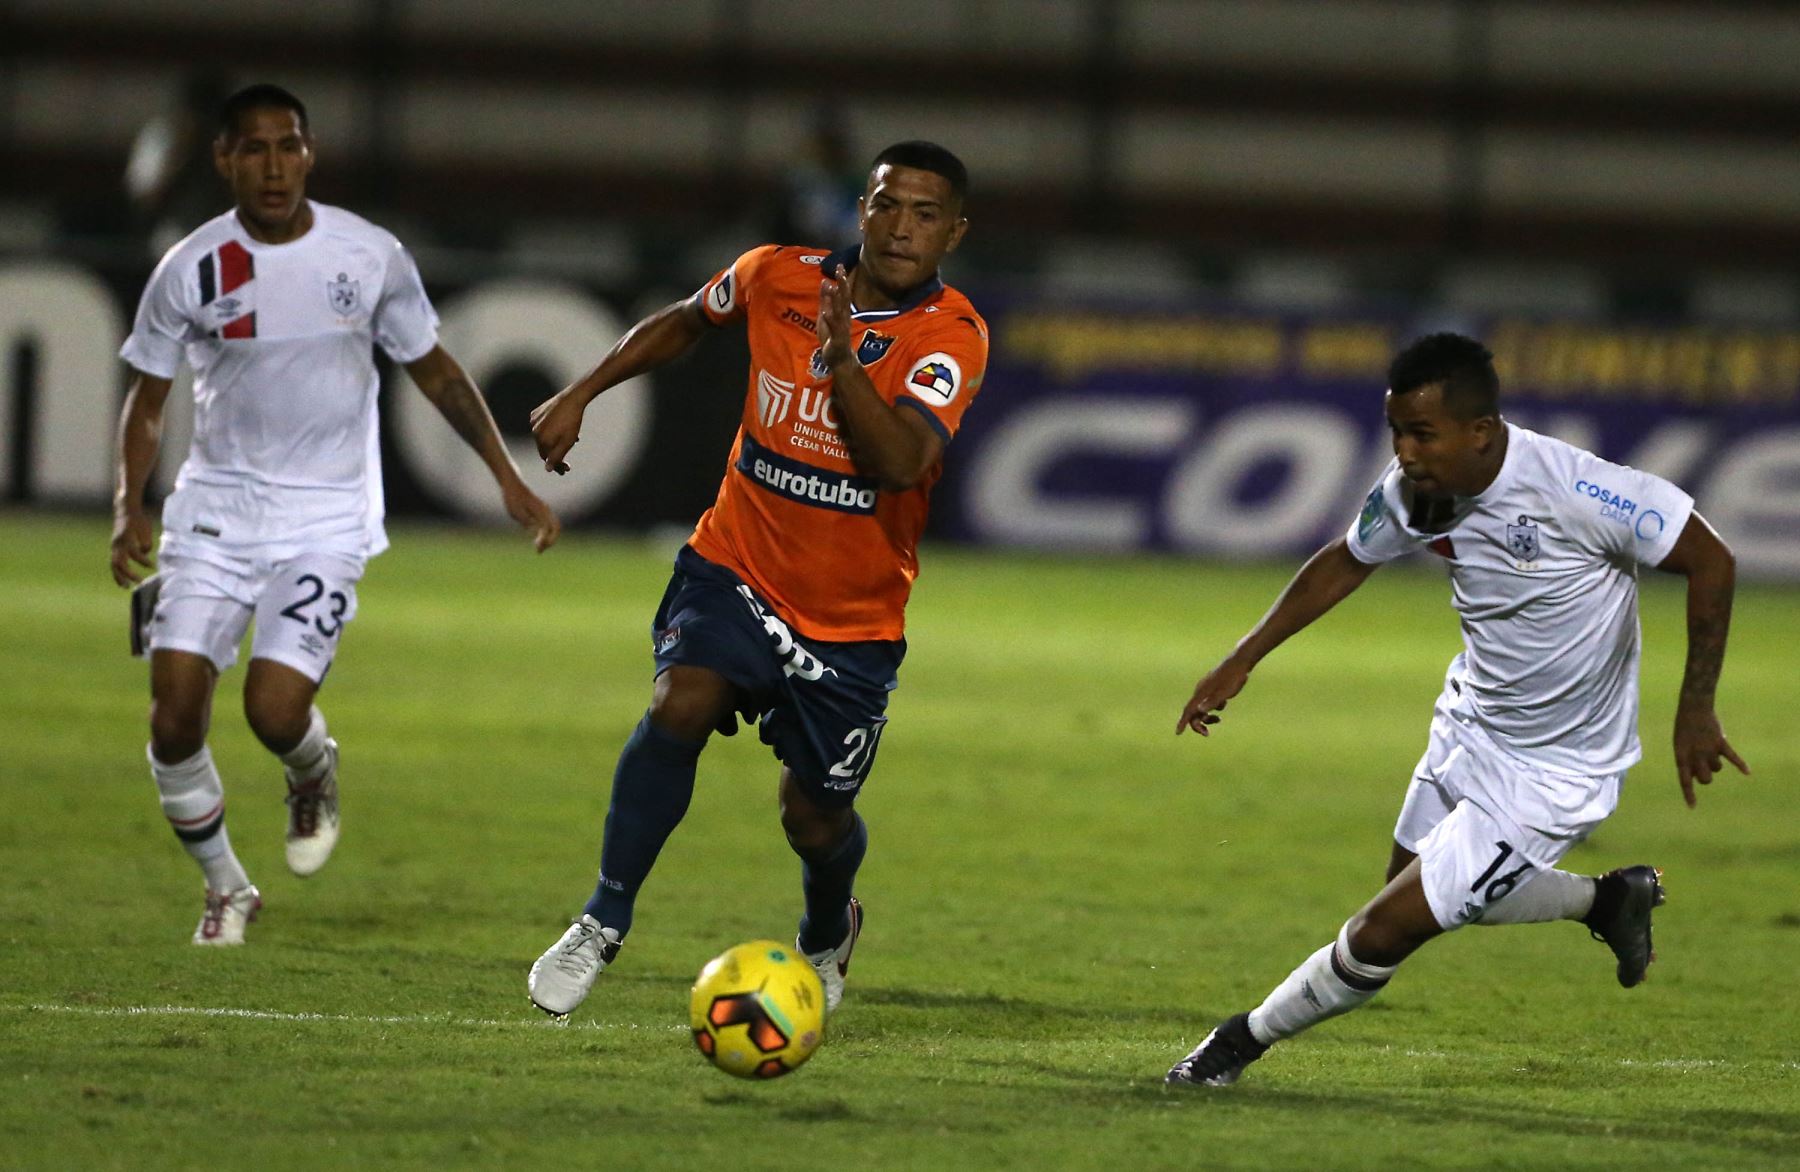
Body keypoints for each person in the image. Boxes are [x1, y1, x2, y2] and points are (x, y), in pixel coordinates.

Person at [1164, 333, 1748, 1087]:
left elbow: (1712, 560)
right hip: (1469, 722)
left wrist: (1695, 709)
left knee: (1381, 933)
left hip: (1553, 771)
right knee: (1411, 888)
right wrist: (1244, 657)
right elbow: (1347, 558)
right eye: (1397, 433)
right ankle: (1606, 900)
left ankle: (1233, 1046)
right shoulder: (1420, 490)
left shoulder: (1578, 490)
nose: (1404, 453)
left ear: (1480, 431)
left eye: (1422, 434)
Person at [524, 141, 986, 1019]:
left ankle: (828, 926)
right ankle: (601, 920)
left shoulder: (950, 337)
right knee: (680, 704)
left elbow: (901, 463)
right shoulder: (776, 274)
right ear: (861, 210)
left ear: (953, 234)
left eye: (926, 215)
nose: (902, 228)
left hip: (850, 621)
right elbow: (686, 319)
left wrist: (842, 359)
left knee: (813, 818)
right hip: (736, 564)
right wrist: (584, 390)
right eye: (888, 205)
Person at [111, 83, 560, 946]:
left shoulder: (368, 255)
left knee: (274, 712)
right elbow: (147, 401)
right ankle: (227, 888)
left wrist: (506, 476)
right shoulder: (191, 268)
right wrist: (131, 506)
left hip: (324, 520)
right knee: (172, 718)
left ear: (310, 153)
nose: (274, 166)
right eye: (254, 149)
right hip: (214, 516)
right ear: (224, 159)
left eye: (289, 146)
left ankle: (311, 771)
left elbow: (437, 371)